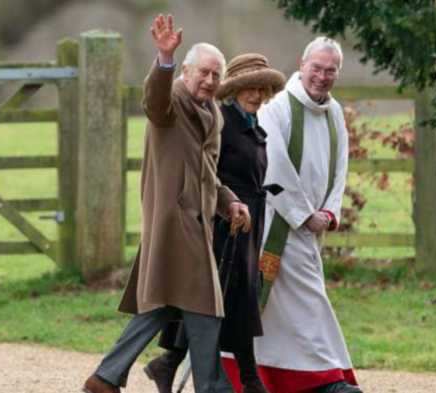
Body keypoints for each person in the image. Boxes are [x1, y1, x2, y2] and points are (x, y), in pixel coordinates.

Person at [82, 14, 251, 393]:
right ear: (186, 72)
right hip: (174, 222)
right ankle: (212, 387)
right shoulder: (172, 101)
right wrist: (164, 60)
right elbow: (153, 102)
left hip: (197, 223)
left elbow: (207, 172)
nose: (209, 80)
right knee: (206, 305)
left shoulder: (212, 115)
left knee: (165, 304)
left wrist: (231, 203)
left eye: (215, 75)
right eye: (203, 73)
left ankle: (106, 377)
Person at [143, 54, 286, 393]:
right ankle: (248, 379)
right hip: (224, 222)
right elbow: (207, 172)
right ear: (234, 90)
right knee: (222, 296)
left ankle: (168, 362)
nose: (256, 94)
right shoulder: (223, 121)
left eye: (262, 88)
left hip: (249, 217)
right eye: (249, 87)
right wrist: (224, 206)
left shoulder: (253, 123)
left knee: (233, 295)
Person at [251, 37, 363, 393]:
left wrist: (329, 211)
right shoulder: (278, 108)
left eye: (330, 70)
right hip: (278, 226)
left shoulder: (334, 113)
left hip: (313, 228)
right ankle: (329, 381)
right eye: (316, 68)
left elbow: (340, 166)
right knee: (307, 301)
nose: (322, 76)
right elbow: (273, 167)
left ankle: (263, 380)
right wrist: (303, 214)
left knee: (281, 311)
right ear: (302, 65)